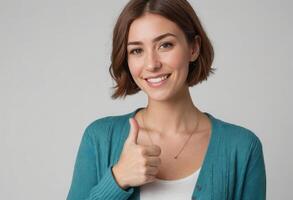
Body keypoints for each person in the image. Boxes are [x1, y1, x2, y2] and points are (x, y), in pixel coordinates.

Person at [66, 0, 266, 199]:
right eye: (137, 50)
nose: (152, 64)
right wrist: (117, 179)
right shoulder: (99, 137)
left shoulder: (242, 147)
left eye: (165, 45)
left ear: (193, 48)